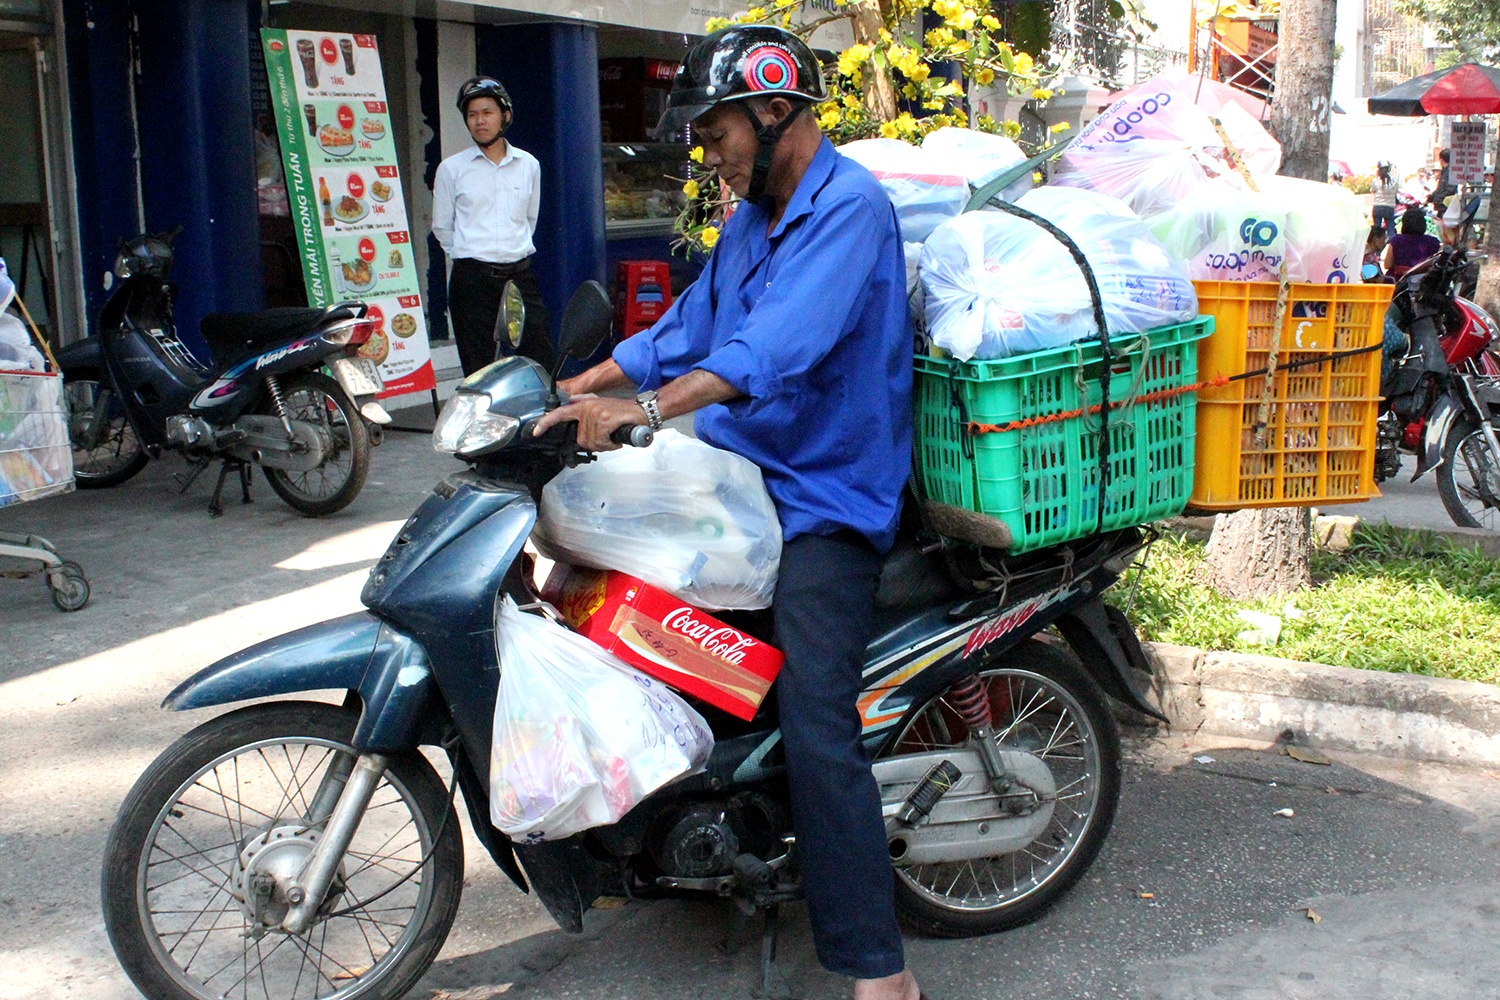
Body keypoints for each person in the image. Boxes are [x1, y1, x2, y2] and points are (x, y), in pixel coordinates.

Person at [534, 25, 923, 1000]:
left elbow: (770, 353)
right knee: (628, 604)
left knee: (816, 718)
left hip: (827, 500)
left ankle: (880, 970)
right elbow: (693, 327)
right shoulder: (753, 214)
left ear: (776, 110)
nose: (708, 155)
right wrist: (582, 381)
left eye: (717, 135)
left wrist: (642, 412)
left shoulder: (848, 211)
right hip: (745, 482)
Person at [433, 76, 556, 375]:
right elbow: (442, 228)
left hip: (520, 276)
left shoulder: (528, 165)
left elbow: (530, 218)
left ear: (505, 116)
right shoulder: (452, 169)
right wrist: (473, 253)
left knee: (541, 362)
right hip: (473, 281)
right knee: (479, 369)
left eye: (487, 113)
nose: (479, 121)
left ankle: (544, 423)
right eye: (472, 115)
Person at [1383, 205, 1442, 279]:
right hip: (1424, 281)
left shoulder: (1396, 240)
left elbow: (1388, 264)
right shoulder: (1433, 242)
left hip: (1400, 280)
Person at [1371, 160, 1398, 238]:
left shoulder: (1375, 181)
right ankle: (1391, 247)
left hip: (1378, 206)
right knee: (1390, 231)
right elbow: (1396, 192)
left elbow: (1373, 191)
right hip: (1389, 207)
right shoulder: (1394, 181)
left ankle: (1377, 247)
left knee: (1377, 230)